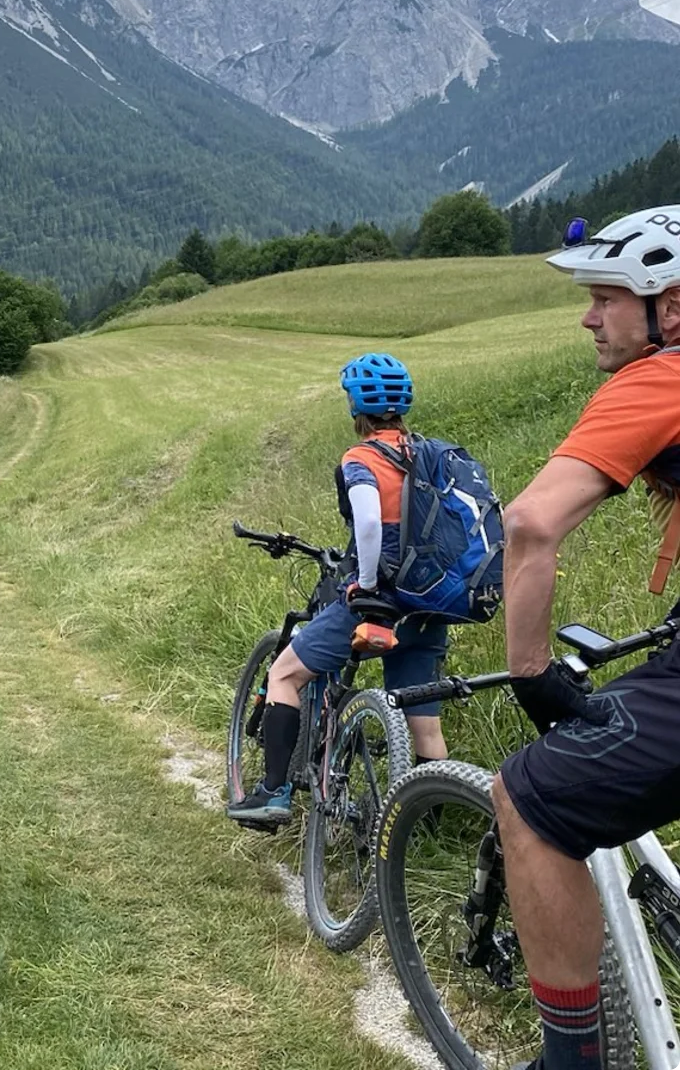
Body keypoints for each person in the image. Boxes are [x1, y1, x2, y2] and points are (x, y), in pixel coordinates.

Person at [492, 207, 680, 1070]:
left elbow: (531, 523)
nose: (588, 317)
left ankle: (572, 1061)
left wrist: (532, 673)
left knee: (527, 799)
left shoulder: (662, 376)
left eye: (607, 298)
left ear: (669, 307)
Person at [228, 352, 449, 827]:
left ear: (356, 405)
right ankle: (425, 830)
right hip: (430, 604)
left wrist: (366, 585)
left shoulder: (362, 458)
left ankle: (273, 794)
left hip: (380, 604)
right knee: (423, 722)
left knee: (284, 674)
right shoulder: (430, 455)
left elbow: (368, 524)